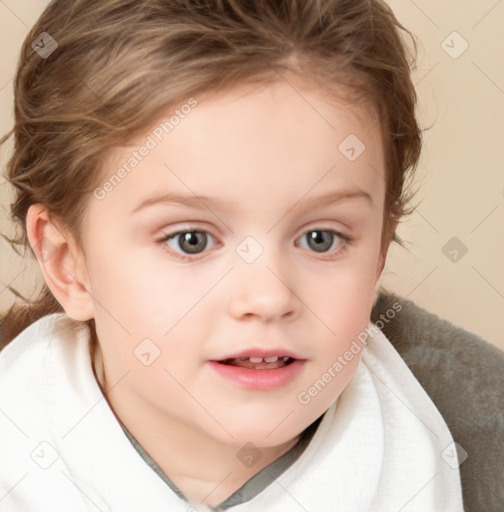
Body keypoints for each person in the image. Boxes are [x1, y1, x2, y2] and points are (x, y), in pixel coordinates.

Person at [0, 1, 466, 510]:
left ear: (379, 248)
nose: (267, 297)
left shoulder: (481, 430)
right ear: (68, 263)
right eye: (191, 240)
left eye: (321, 238)